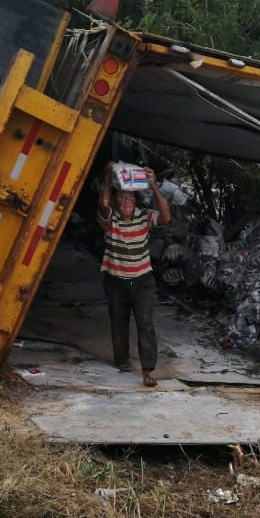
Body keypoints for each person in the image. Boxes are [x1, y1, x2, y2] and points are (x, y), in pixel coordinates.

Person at [98, 162, 172, 387]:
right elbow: (103, 203)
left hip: (142, 281)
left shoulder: (144, 217)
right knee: (118, 321)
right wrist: (108, 178)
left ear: (135, 201)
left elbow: (166, 217)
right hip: (116, 280)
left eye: (129, 199)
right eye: (121, 199)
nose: (125, 202)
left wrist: (154, 187)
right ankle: (122, 360)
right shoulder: (110, 220)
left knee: (145, 323)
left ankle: (148, 370)